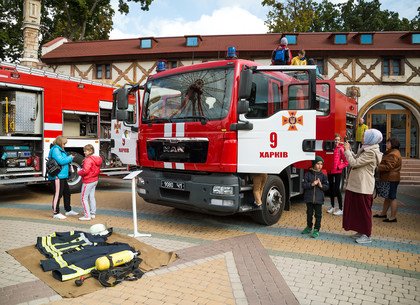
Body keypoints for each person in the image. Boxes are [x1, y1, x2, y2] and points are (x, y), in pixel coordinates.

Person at [342, 129, 383, 244]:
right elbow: (357, 159)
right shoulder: (367, 148)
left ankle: (367, 234)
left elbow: (354, 163)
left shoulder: (371, 152)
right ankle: (361, 231)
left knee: (364, 211)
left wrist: (346, 151)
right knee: (357, 210)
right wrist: (349, 150)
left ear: (371, 138)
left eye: (365, 136)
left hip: (363, 186)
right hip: (358, 185)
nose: (363, 137)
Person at [48, 136, 77, 220]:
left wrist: (68, 158)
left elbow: (62, 160)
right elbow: (61, 161)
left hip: (62, 175)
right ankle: (56, 213)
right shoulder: (56, 149)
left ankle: (68, 210)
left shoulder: (59, 149)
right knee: (58, 194)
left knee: (67, 193)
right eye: (64, 143)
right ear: (60, 142)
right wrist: (70, 157)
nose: (64, 145)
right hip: (57, 176)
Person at [373, 138, 402, 222]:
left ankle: (393, 217)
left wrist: (377, 167)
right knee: (388, 197)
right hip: (391, 178)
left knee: (392, 197)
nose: (386, 144)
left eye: (388, 143)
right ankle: (383, 213)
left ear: (393, 144)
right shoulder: (392, 152)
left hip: (391, 178)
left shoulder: (393, 154)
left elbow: (389, 167)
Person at [301, 156, 329, 238]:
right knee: (309, 214)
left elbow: (327, 186)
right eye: (318, 164)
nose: (320, 166)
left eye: (321, 164)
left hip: (319, 199)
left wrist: (321, 185)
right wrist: (312, 184)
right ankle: (309, 227)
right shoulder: (307, 174)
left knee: (318, 215)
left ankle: (316, 229)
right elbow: (303, 185)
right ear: (313, 164)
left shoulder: (323, 176)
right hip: (309, 199)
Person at [77, 144, 102, 221]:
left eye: (86, 151)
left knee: (83, 198)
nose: (84, 152)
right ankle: (92, 213)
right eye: (84, 150)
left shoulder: (88, 160)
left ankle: (87, 215)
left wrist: (79, 172)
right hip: (95, 180)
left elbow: (85, 171)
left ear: (90, 151)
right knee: (91, 197)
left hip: (88, 181)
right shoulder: (96, 159)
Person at [327, 134, 349, 216]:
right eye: (335, 139)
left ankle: (340, 208)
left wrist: (339, 167)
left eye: (338, 140)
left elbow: (346, 161)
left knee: (337, 189)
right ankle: (332, 206)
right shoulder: (329, 148)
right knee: (331, 189)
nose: (336, 141)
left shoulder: (341, 149)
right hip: (330, 171)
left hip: (337, 172)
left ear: (340, 141)